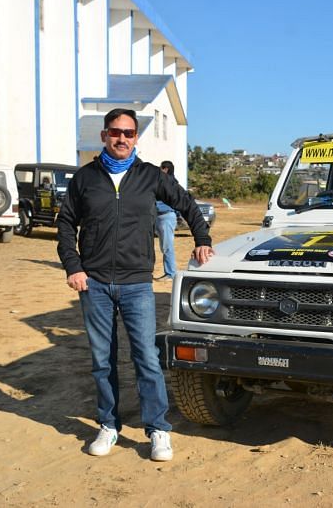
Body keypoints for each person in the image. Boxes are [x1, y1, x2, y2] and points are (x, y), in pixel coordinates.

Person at [56, 108, 214, 461]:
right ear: (104, 136)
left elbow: (187, 204)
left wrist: (201, 238)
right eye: (115, 132)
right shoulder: (85, 179)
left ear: (136, 137)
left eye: (129, 133)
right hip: (93, 283)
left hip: (137, 284)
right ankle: (108, 425)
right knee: (102, 361)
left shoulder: (150, 176)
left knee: (146, 358)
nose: (122, 138)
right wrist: (73, 266)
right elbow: (66, 225)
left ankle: (158, 429)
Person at [154, 161, 178, 281]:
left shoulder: (171, 183)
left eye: (161, 168)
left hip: (166, 217)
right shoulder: (161, 182)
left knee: (167, 246)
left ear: (166, 169)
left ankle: (171, 273)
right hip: (158, 216)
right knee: (163, 246)